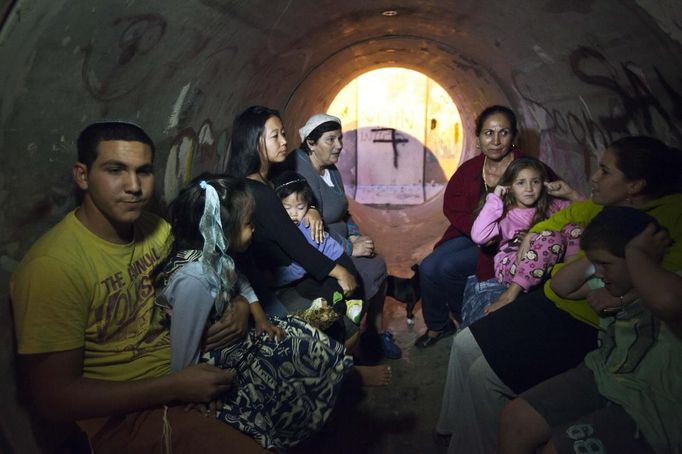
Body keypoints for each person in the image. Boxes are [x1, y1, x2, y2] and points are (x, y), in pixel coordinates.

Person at [10, 121, 267, 453]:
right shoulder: (52, 268)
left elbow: (209, 272)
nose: (133, 186)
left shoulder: (156, 229)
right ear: (82, 176)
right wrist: (174, 387)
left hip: (195, 370)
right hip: (129, 413)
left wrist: (242, 307)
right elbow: (55, 399)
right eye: (115, 170)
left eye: (143, 171)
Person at [436, 136, 682, 454]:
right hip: (555, 297)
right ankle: (451, 434)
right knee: (464, 343)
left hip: (585, 319)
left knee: (484, 377)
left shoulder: (668, 221)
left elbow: (654, 291)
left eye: (605, 171)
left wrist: (615, 291)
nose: (594, 177)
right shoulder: (605, 205)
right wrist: (533, 238)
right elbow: (553, 225)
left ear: (634, 185)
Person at [154, 174, 356, 450]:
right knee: (278, 372)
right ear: (224, 229)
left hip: (233, 336)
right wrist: (197, 391)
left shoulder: (219, 253)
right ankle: (300, 421)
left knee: (296, 333)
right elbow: (183, 352)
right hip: (208, 359)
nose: (254, 231)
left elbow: (242, 283)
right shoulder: (194, 280)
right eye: (249, 224)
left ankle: (339, 377)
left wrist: (261, 319)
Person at [498, 206, 682, 454]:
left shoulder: (668, 285)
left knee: (558, 449)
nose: (598, 272)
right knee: (515, 417)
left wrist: (635, 253)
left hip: (653, 403)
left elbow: (666, 302)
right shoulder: (610, 284)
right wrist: (596, 254)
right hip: (604, 374)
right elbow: (562, 286)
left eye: (605, 264)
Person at [415, 105, 560, 348]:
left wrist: (533, 230)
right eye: (488, 133)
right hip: (473, 231)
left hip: (507, 240)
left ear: (514, 137)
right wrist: (478, 230)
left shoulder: (529, 168)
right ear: (479, 138)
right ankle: (439, 324)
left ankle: (466, 318)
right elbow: (452, 206)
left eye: (503, 133)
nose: (495, 141)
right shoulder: (470, 169)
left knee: (449, 267)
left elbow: (555, 200)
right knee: (429, 266)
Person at [292, 113, 401, 359]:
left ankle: (374, 332)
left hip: (340, 242)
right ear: (310, 143)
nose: (339, 145)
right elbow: (310, 230)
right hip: (321, 252)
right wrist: (350, 249)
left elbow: (344, 210)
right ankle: (355, 343)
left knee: (377, 262)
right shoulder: (301, 172)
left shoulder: (330, 170)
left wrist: (354, 235)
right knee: (367, 272)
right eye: (330, 140)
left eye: (339, 139)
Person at [468, 157, 582, 319]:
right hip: (513, 263)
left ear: (543, 183)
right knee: (551, 237)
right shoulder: (506, 212)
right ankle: (510, 295)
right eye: (521, 183)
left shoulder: (553, 205)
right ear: (510, 187)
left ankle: (569, 274)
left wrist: (571, 194)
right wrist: (495, 198)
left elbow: (590, 215)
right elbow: (479, 236)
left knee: (574, 226)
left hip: (550, 263)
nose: (529, 188)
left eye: (534, 182)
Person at [272, 170, 363, 324]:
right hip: (323, 266)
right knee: (304, 287)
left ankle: (345, 304)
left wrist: (276, 279)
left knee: (313, 288)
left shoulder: (307, 226)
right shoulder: (288, 225)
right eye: (287, 208)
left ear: (308, 205)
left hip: (339, 263)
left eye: (300, 208)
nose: (294, 214)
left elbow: (301, 267)